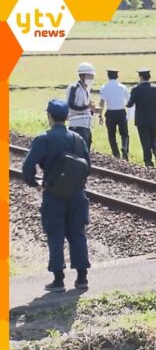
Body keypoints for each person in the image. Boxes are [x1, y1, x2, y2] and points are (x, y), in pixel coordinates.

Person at [22, 99, 91, 292]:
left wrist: (34, 183)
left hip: (53, 195)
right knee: (77, 234)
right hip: (77, 194)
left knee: (55, 235)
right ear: (67, 117)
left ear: (50, 116)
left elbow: (28, 167)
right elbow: (88, 166)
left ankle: (59, 280)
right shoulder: (78, 138)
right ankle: (82, 278)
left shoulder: (43, 139)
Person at [126, 68, 156, 167]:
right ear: (149, 77)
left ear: (140, 77)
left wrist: (126, 102)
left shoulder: (136, 89)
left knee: (145, 141)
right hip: (154, 120)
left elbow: (130, 104)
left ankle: (148, 162)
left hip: (141, 121)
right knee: (153, 138)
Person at [98, 69, 130, 160]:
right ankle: (125, 148)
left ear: (108, 76)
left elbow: (102, 102)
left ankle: (116, 154)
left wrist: (100, 115)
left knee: (111, 134)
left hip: (110, 112)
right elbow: (129, 100)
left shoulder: (104, 87)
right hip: (121, 112)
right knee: (124, 133)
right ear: (117, 77)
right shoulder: (122, 87)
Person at [66, 62, 99, 149]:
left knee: (86, 149)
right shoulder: (74, 88)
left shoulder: (87, 89)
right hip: (77, 124)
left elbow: (86, 106)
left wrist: (93, 110)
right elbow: (71, 105)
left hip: (86, 124)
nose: (92, 78)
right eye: (89, 76)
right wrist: (87, 107)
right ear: (82, 76)